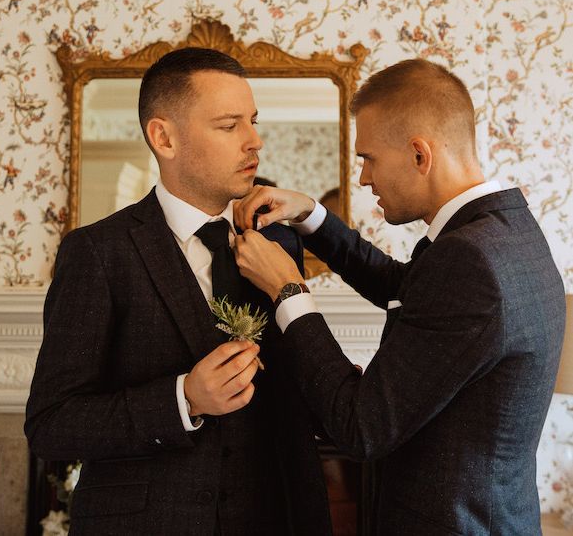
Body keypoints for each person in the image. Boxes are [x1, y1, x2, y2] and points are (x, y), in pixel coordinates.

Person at [233, 58, 565, 536]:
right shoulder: (504, 231)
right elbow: (403, 288)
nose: (364, 178)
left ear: (419, 154)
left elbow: (361, 427)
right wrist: (310, 215)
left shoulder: (470, 259)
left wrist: (289, 291)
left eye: (368, 158)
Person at [25, 48, 332, 535]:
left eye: (253, 121)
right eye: (230, 126)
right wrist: (182, 399)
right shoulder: (97, 253)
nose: (256, 141)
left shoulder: (278, 241)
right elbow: (52, 425)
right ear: (163, 137)